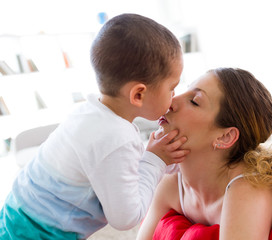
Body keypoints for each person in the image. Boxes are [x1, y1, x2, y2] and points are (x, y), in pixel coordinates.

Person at [0, 13, 189, 239]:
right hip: (36, 233)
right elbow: (126, 218)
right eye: (172, 87)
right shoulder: (117, 138)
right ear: (138, 94)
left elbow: (116, 169)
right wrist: (155, 161)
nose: (175, 96)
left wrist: (156, 160)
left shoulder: (90, 113)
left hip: (15, 213)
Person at [136, 68, 272, 240]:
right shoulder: (171, 183)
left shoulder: (246, 187)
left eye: (194, 101)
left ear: (225, 137)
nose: (171, 101)